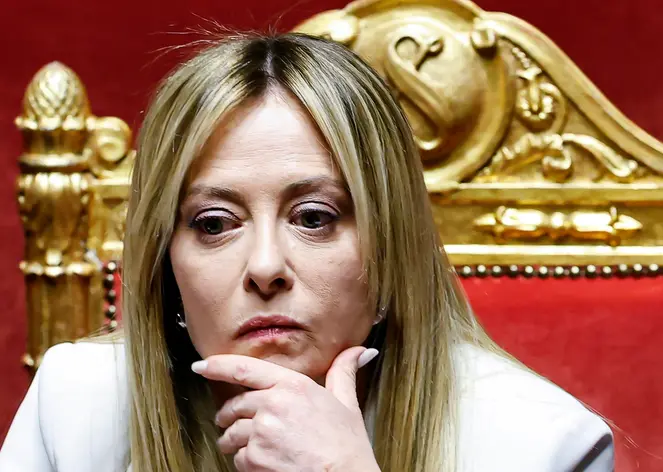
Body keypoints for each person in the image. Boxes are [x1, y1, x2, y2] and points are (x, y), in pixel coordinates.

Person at [0, 33, 613, 472]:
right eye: (214, 224)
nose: (266, 267)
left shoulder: (543, 446)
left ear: (391, 245)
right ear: (166, 263)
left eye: (314, 218)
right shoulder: (73, 407)